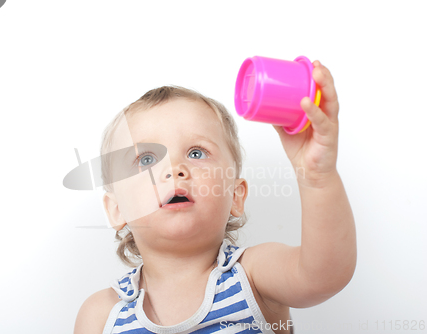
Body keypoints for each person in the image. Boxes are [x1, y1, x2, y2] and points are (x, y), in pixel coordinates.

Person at [73, 61, 356, 334]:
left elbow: (323, 275)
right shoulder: (101, 315)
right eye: (146, 159)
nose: (175, 169)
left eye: (196, 153)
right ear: (116, 209)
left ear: (235, 195)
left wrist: (318, 178)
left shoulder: (254, 276)